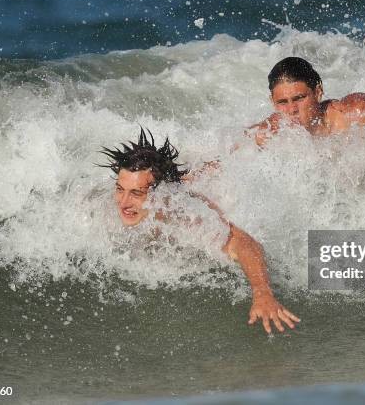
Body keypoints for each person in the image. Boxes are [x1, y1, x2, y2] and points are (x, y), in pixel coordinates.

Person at [100, 128, 300, 334]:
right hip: (184, 180)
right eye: (120, 189)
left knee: (224, 163)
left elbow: (242, 242)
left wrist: (262, 293)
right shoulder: (106, 205)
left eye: (136, 193)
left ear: (162, 194)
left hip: (212, 185)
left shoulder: (183, 214)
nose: (123, 203)